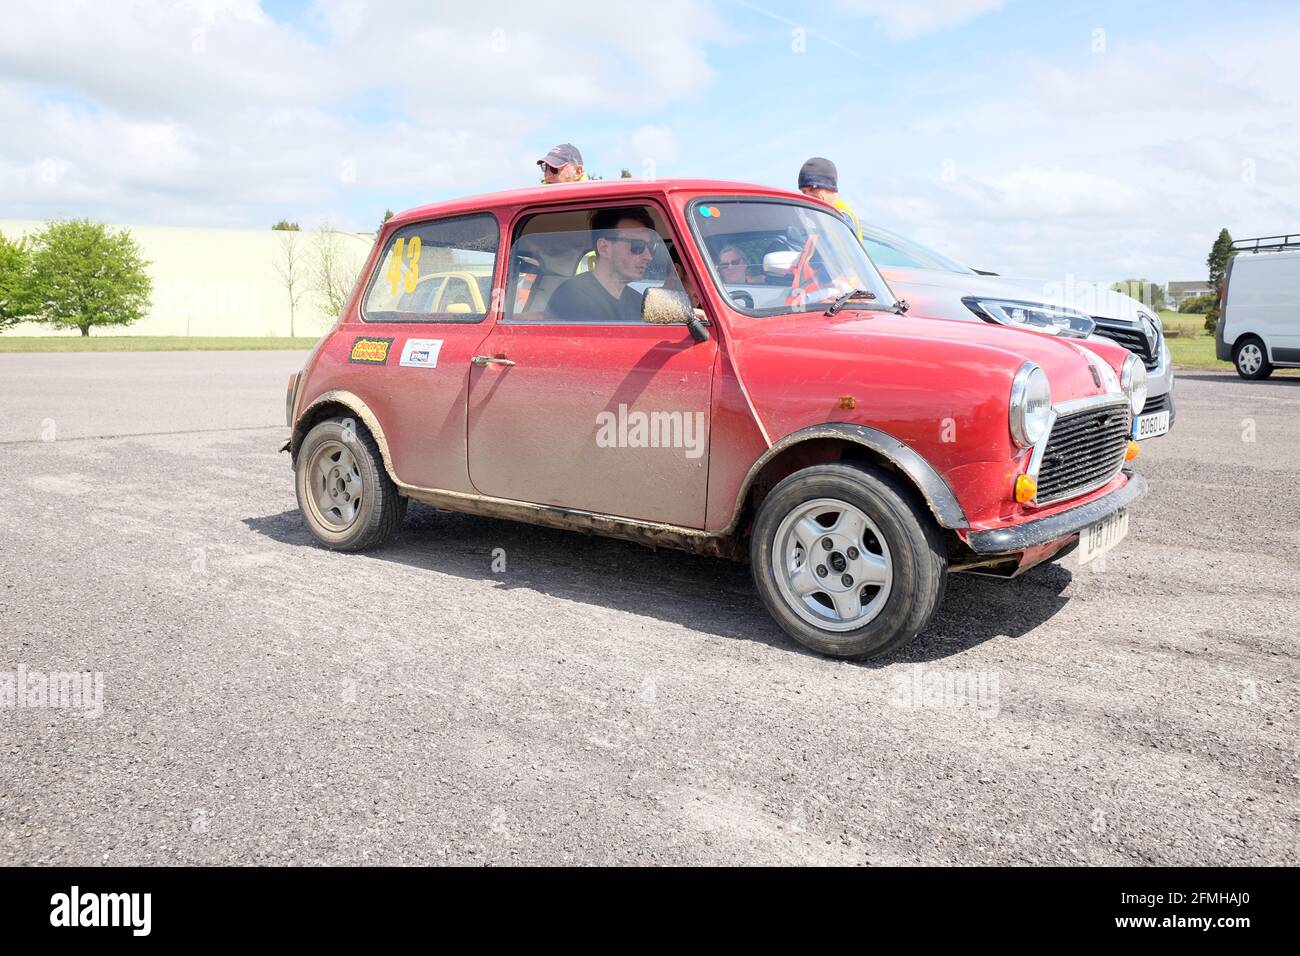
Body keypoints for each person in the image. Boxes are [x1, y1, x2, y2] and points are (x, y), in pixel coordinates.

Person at [546, 207, 658, 323]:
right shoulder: (572, 297)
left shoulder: (637, 300)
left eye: (651, 247)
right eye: (637, 245)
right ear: (604, 248)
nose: (648, 256)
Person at [797, 156, 862, 241]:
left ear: (829, 187)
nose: (807, 196)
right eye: (804, 192)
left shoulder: (840, 216)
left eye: (813, 189)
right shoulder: (821, 215)